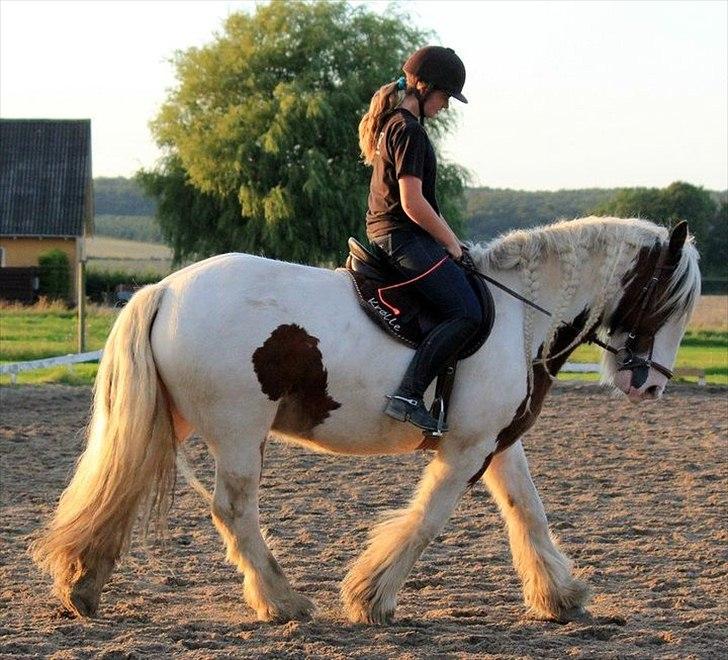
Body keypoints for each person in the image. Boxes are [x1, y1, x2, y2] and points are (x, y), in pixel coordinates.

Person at [358, 46, 481, 433]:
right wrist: (453, 245)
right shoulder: (408, 130)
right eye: (445, 96)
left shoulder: (395, 124)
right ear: (424, 87)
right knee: (468, 313)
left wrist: (454, 241)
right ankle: (409, 394)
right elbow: (412, 204)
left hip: (395, 234)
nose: (446, 105)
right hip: (400, 237)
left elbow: (427, 203)